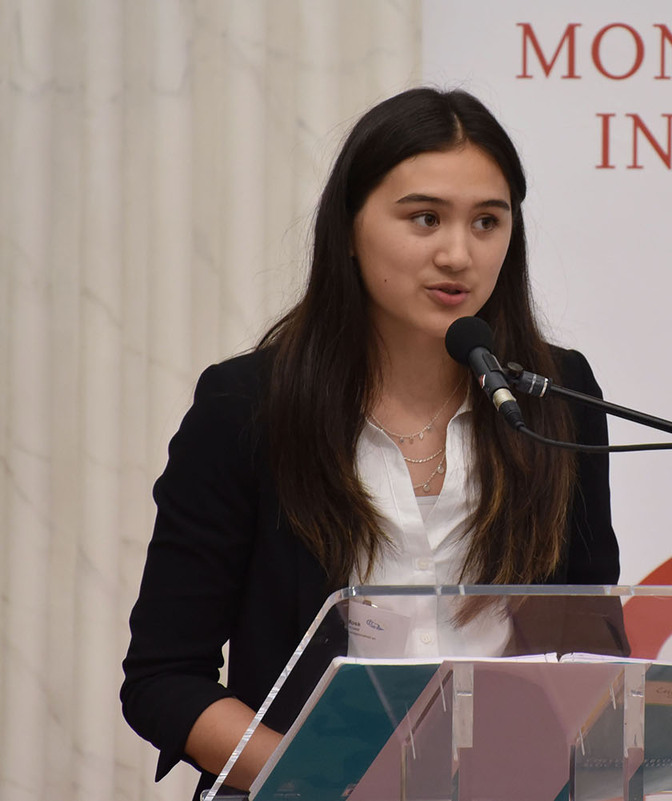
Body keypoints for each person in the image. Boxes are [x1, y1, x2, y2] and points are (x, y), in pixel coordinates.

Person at [120, 87, 621, 798]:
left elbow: (589, 643)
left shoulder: (553, 394)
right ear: (350, 226)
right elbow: (164, 680)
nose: (459, 253)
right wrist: (340, 776)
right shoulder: (248, 406)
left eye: (488, 221)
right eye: (425, 218)